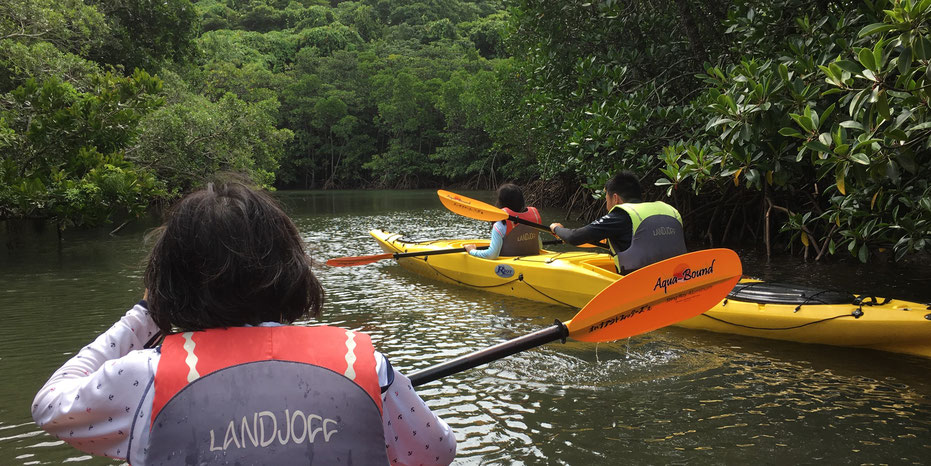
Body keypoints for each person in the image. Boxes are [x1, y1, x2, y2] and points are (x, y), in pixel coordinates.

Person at [31, 181, 456, 465]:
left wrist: (145, 315)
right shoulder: (364, 364)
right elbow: (436, 452)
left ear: (170, 280)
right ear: (291, 269)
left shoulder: (144, 377)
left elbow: (49, 404)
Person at [549, 171, 686, 274]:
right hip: (677, 278)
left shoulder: (621, 215)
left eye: (606, 199)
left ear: (615, 198)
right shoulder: (669, 210)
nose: (606, 205)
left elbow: (574, 237)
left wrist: (557, 229)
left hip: (639, 284)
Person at [464, 183, 543, 259]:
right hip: (533, 261)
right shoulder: (532, 220)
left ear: (500, 202)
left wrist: (472, 251)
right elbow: (540, 246)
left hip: (510, 267)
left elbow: (492, 255)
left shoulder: (500, 225)